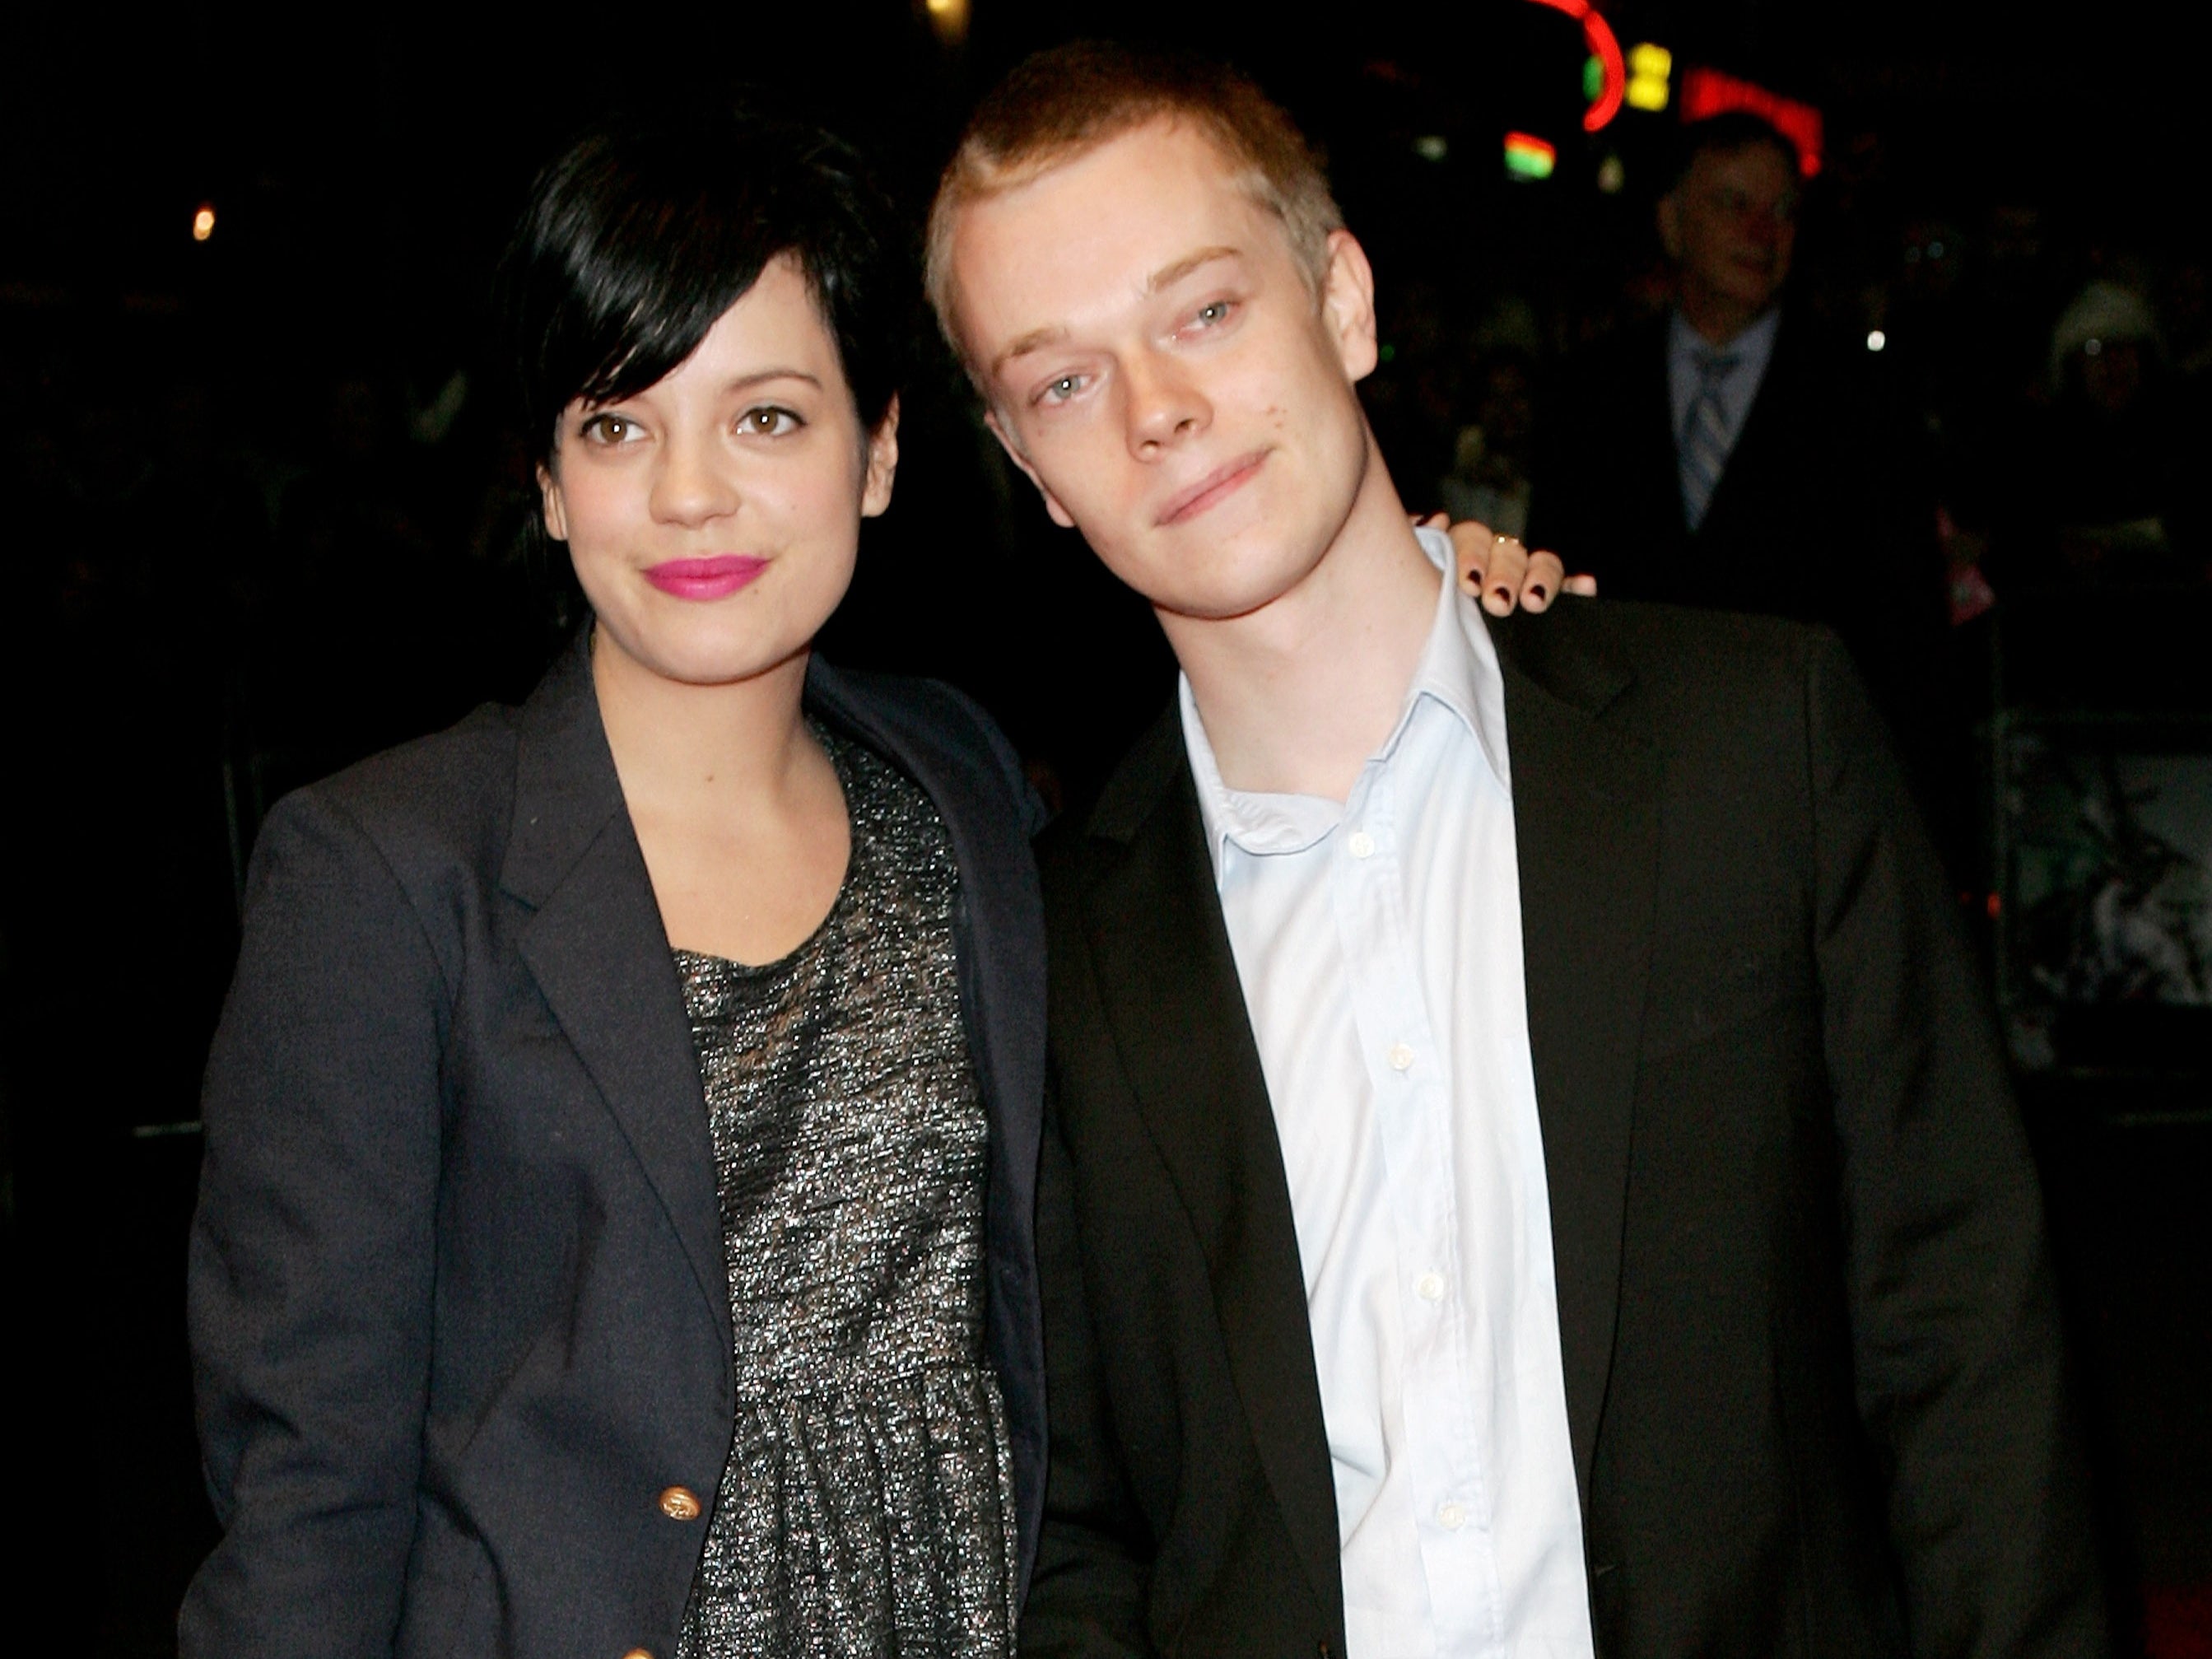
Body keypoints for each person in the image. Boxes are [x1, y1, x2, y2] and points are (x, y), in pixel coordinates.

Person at [926, 42, 2104, 1658]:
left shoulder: (1756, 748)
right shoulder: (1047, 945)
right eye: (1061, 378)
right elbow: (1070, 1524)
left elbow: (1964, 1346)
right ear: (1026, 467)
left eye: (1202, 309)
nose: (1156, 409)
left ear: (1339, 299)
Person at [184, 107, 1054, 1657]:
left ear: (882, 450)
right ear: (546, 481)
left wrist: (1454, 612)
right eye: (618, 424)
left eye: (767, 417)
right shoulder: (388, 871)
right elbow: (310, 1486)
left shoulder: (962, 789)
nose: (689, 493)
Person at [1530, 112, 1954, 831]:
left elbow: (1908, 636)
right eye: (1733, 205)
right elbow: (1555, 604)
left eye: (1783, 211)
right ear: (1670, 223)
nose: (1763, 232)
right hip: (1626, 795)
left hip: (1798, 798)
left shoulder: (1861, 398)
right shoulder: (1591, 391)